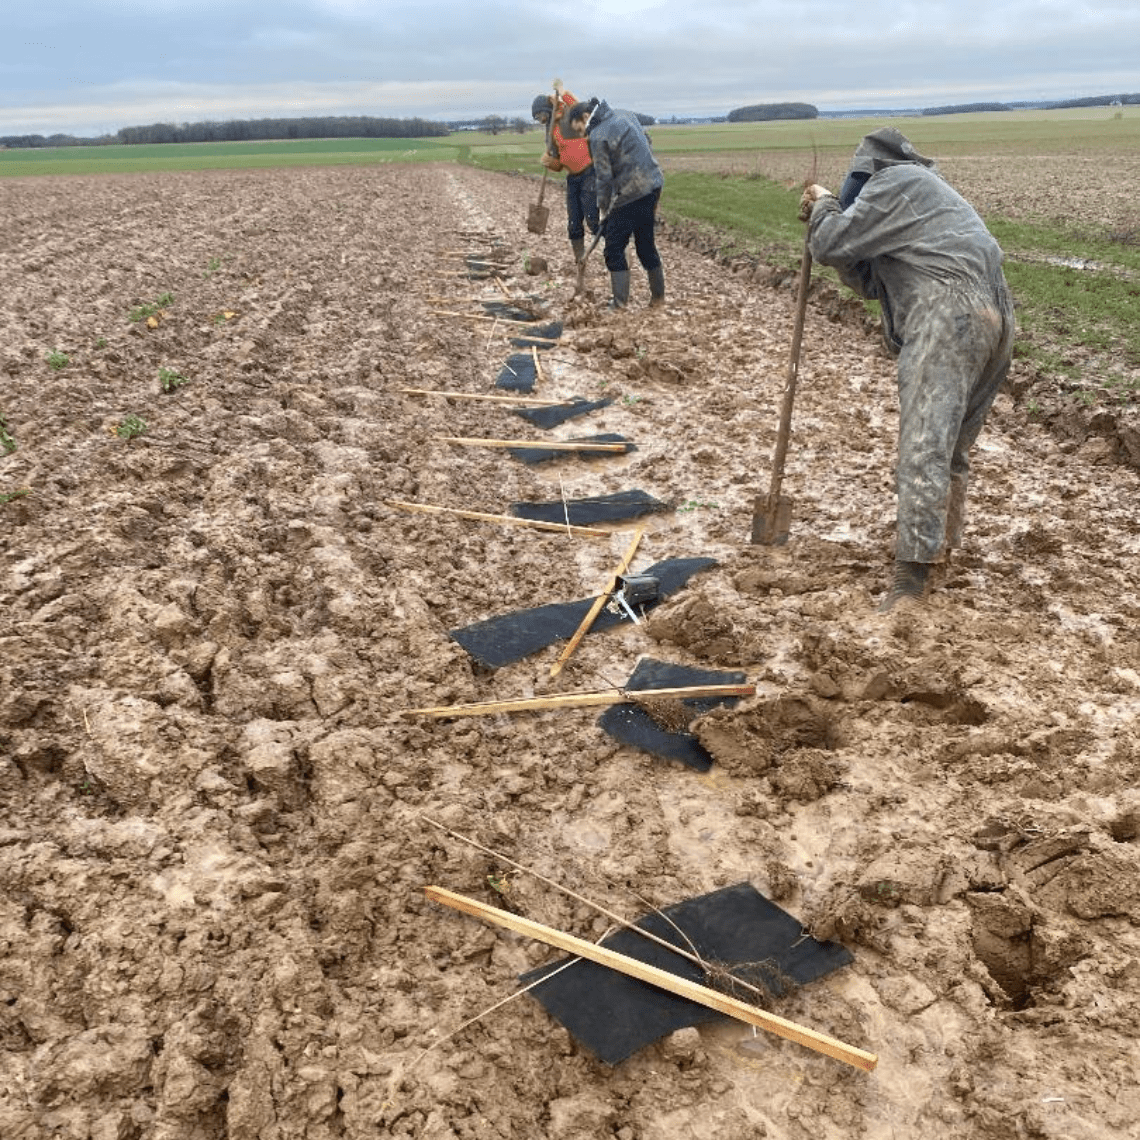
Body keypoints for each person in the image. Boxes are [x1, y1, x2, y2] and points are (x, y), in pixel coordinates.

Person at [799, 127, 1015, 612]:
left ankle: (910, 584)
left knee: (923, 448)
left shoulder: (892, 183)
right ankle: (939, 551)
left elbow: (834, 243)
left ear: (865, 172)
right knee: (951, 449)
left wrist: (824, 208)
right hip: (996, 321)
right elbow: (872, 279)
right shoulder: (930, 197)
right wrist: (828, 220)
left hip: (949, 318)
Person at [566, 98, 665, 309]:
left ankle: (619, 304)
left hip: (631, 192)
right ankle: (658, 299)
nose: (581, 134)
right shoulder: (625, 114)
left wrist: (603, 209)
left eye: (580, 128)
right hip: (654, 184)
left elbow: (603, 178)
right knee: (645, 243)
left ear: (585, 117)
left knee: (613, 248)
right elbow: (647, 141)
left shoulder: (598, 134)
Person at [531, 81, 599, 266]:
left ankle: (616, 251)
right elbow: (560, 164)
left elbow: (581, 108)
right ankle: (580, 261)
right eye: (537, 118)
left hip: (589, 172)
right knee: (573, 222)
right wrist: (550, 162)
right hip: (573, 177)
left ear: (547, 109)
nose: (540, 120)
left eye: (540, 115)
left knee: (593, 218)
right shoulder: (550, 133)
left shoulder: (570, 114)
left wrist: (563, 92)